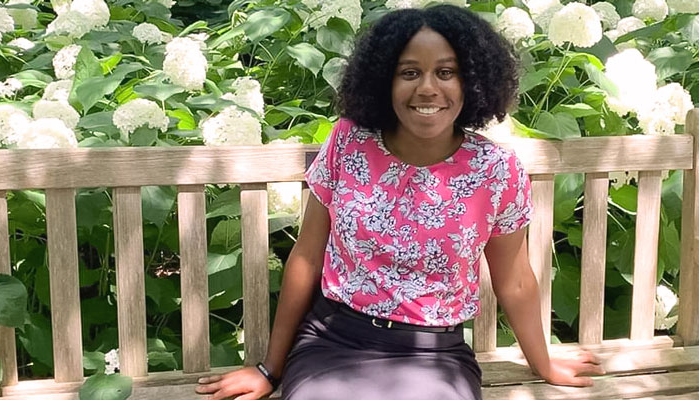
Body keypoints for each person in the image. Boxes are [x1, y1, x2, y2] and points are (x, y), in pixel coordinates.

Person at [195, 5, 604, 400]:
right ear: (383, 81)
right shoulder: (350, 141)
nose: (428, 87)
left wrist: (544, 363)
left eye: (447, 72)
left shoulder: (494, 170)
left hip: (434, 354)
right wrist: (269, 369)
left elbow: (514, 281)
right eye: (409, 72)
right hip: (334, 340)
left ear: (473, 81)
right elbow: (307, 256)